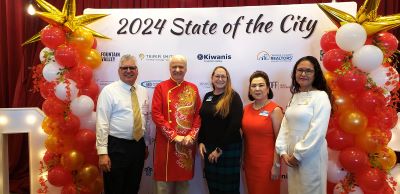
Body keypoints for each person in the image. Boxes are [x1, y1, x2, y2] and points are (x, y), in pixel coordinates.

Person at [275, 56, 333, 194]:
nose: (303, 74)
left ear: (316, 74)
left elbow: (317, 131)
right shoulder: (295, 96)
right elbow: (285, 126)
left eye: (308, 71)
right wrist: (282, 151)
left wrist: (298, 155)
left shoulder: (321, 96)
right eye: (299, 70)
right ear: (294, 73)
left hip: (310, 156)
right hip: (291, 156)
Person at [96, 54, 149, 194]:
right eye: (124, 68)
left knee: (133, 187)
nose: (128, 70)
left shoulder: (143, 91)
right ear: (119, 71)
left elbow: (145, 118)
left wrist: (146, 144)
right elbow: (102, 123)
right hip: (116, 147)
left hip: (138, 146)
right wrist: (102, 153)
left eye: (132, 67)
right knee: (114, 188)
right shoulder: (108, 91)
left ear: (137, 70)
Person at [151, 55, 202, 194]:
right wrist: (173, 136)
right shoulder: (161, 87)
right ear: (169, 68)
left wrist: (191, 136)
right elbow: (156, 114)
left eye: (181, 67)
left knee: (183, 186)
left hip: (186, 145)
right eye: (174, 67)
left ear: (186, 69)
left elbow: (199, 115)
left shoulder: (193, 88)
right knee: (162, 187)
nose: (178, 70)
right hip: (165, 145)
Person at [198, 66, 243, 194]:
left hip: (227, 148)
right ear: (212, 78)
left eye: (223, 76)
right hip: (209, 147)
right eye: (217, 76)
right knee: (213, 187)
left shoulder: (233, 96)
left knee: (229, 189)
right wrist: (200, 141)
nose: (220, 79)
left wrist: (219, 149)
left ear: (227, 79)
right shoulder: (207, 96)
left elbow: (235, 125)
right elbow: (204, 121)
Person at [242, 70, 283, 194]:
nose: (257, 89)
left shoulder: (275, 110)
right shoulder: (246, 109)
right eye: (253, 86)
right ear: (250, 90)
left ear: (268, 88)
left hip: (268, 165)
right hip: (250, 163)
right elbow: (244, 137)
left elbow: (280, 140)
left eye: (261, 85)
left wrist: (276, 166)